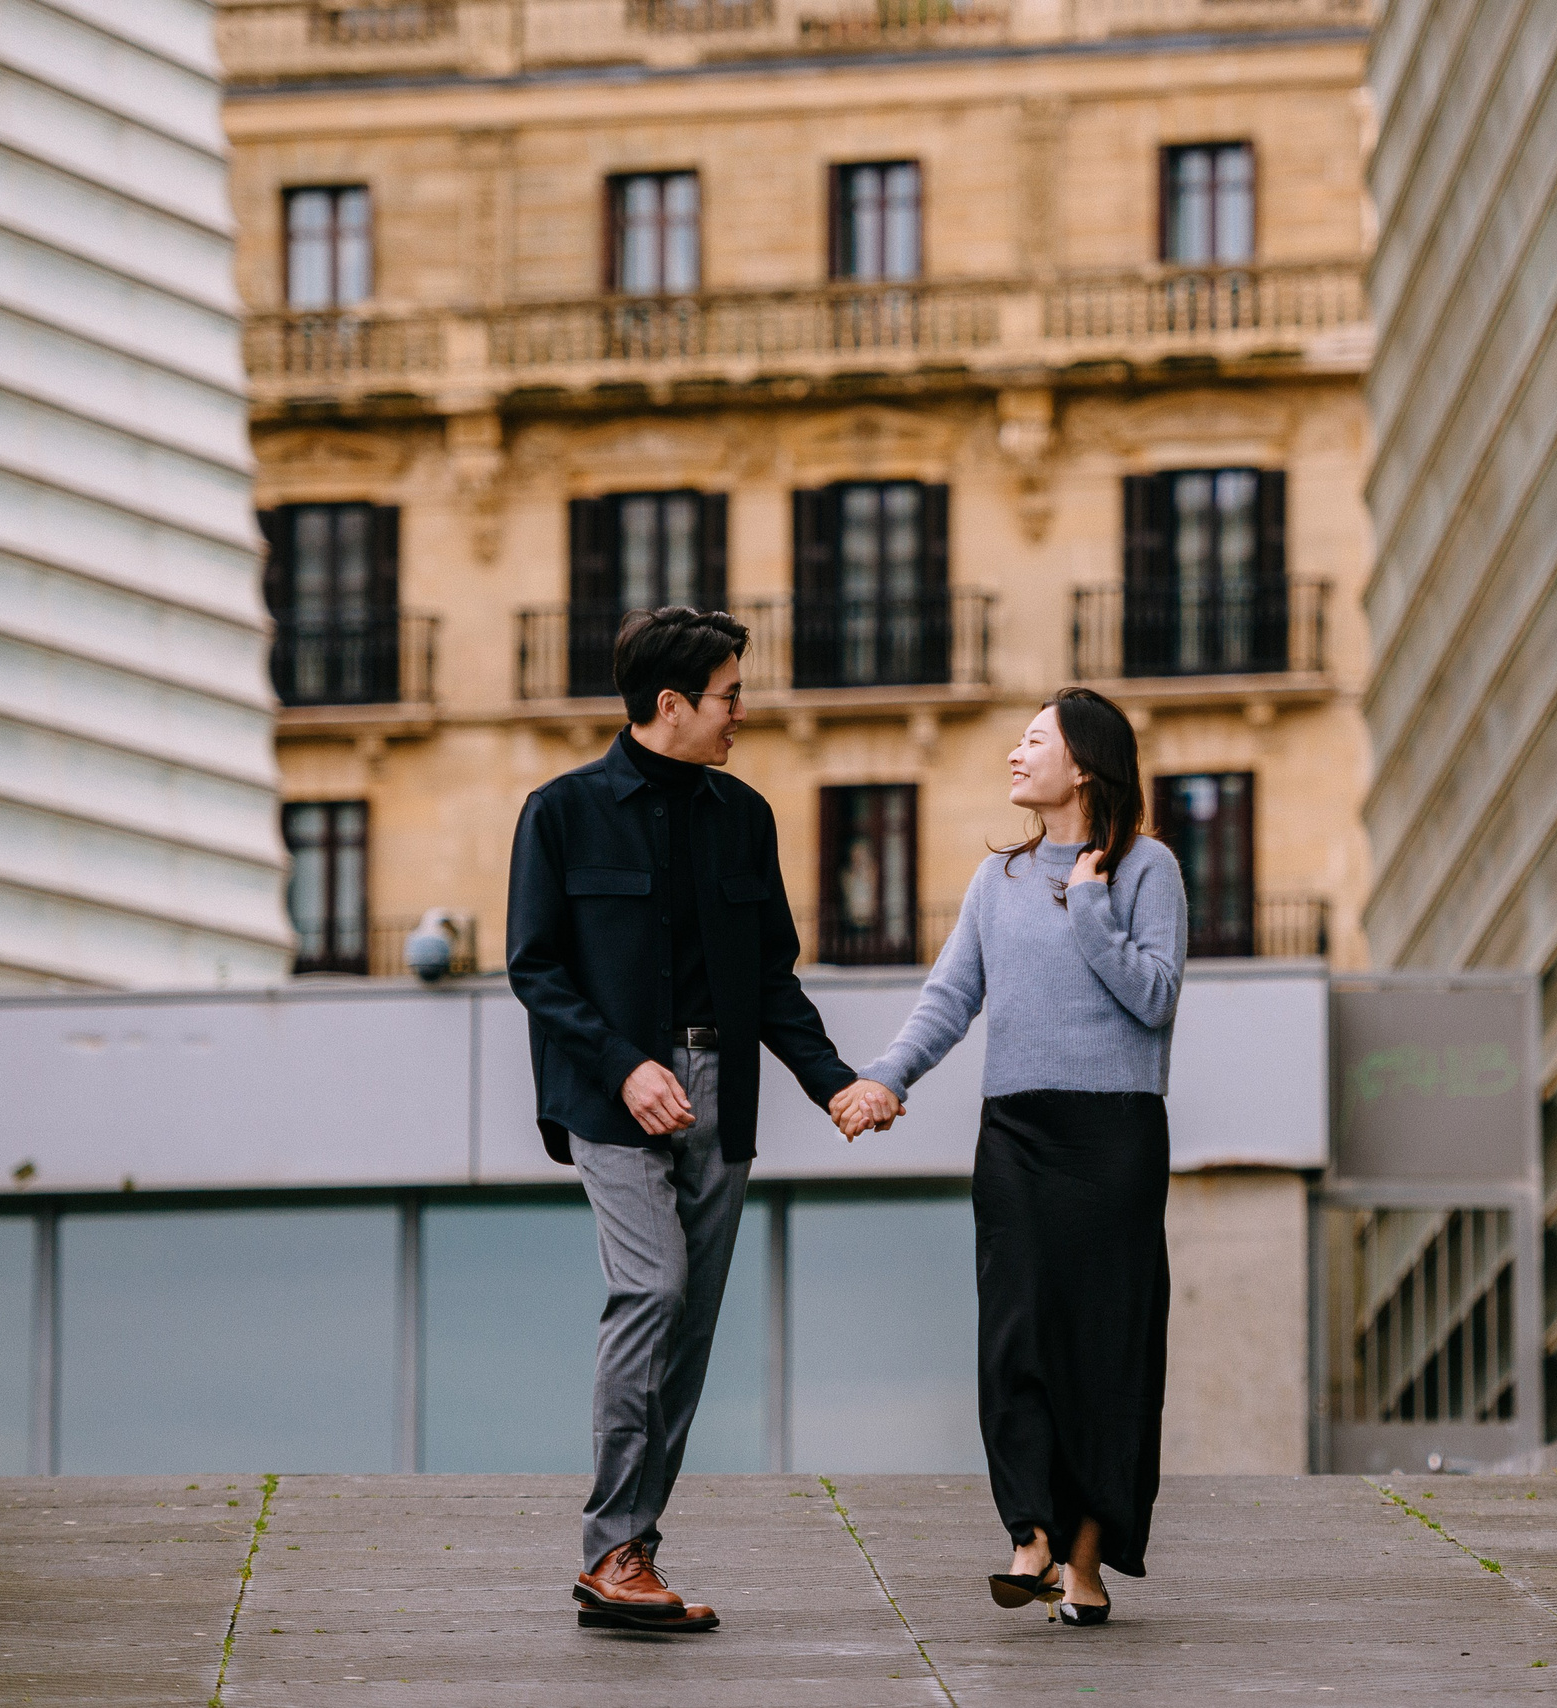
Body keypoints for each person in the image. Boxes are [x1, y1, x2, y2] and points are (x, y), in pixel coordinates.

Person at [507, 606, 898, 1634]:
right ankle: (610, 1547)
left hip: (722, 1090)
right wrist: (626, 1065)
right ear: (670, 704)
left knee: (686, 1327)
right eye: (729, 695)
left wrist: (834, 1082)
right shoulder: (559, 811)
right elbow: (535, 970)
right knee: (653, 1284)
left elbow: (771, 978)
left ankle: (631, 1550)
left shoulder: (745, 816)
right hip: (610, 1093)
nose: (741, 714)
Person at [832, 687, 1184, 1627]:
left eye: (1035, 741)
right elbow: (950, 998)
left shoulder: (1148, 871)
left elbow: (1153, 998)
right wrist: (885, 1079)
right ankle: (1029, 1535)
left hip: (1115, 1138)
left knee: (1106, 1348)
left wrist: (1093, 905)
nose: (1015, 756)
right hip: (1018, 1137)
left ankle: (1085, 1557)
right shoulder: (999, 881)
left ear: (1085, 764)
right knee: (1017, 1335)